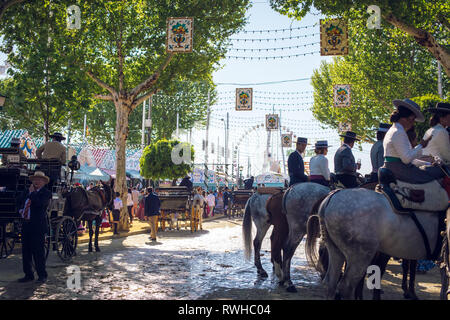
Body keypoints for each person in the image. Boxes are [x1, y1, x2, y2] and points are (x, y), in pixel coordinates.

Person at [383, 98, 444, 184]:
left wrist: (428, 164)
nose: (413, 123)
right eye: (413, 120)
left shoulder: (394, 130)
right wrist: (421, 145)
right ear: (409, 118)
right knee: (437, 175)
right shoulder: (398, 132)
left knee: (431, 170)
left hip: (396, 168)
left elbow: (407, 158)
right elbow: (407, 159)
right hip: (399, 170)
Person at [17, 171, 52, 284]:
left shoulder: (46, 193)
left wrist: (32, 193)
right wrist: (21, 210)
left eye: (39, 180)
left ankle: (42, 275)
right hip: (26, 224)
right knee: (26, 251)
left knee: (38, 252)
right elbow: (20, 200)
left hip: (38, 226)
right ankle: (28, 274)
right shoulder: (27, 191)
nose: (36, 181)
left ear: (43, 182)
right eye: (35, 179)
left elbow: (39, 204)